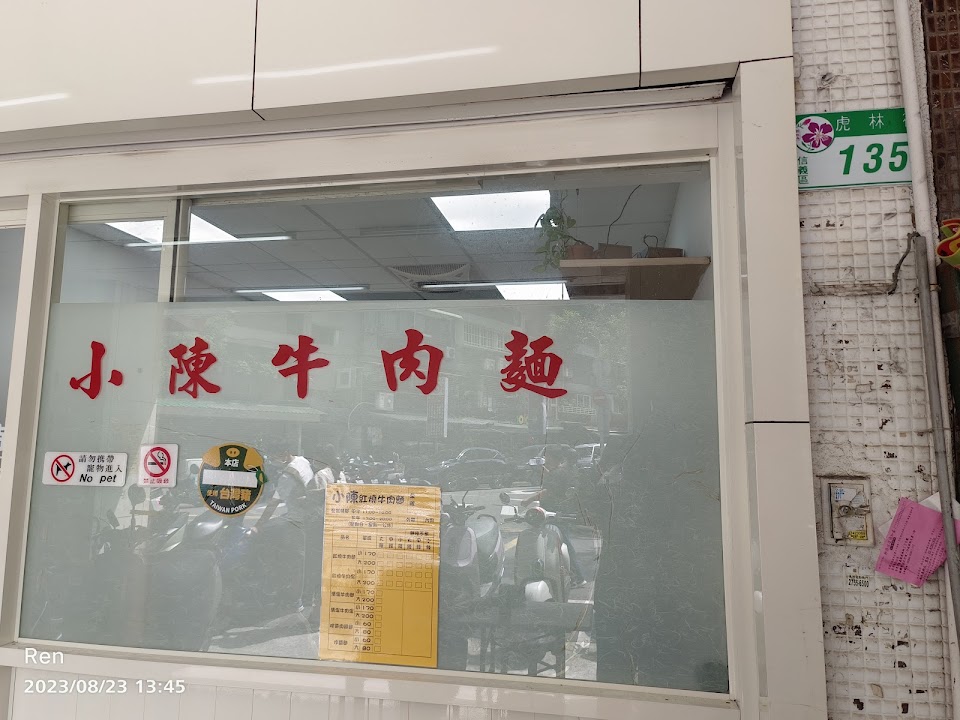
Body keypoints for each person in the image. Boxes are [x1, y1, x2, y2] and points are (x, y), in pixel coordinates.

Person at [521, 447, 586, 587]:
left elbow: (548, 491)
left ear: (554, 457)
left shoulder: (559, 473)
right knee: (560, 543)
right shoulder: (563, 471)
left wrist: (528, 500)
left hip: (555, 514)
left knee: (560, 544)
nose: (546, 459)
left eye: (548, 456)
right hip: (559, 512)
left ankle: (577, 576)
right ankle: (572, 575)